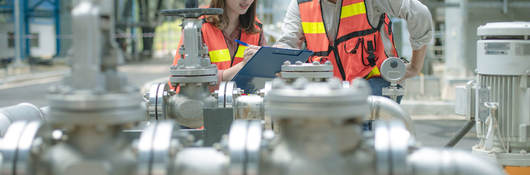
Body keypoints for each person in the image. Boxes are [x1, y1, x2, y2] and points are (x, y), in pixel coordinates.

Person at [275, 0, 433, 103]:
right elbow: (287, 43)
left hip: (376, 81)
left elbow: (419, 13)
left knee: (358, 132)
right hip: (327, 89)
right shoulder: (301, 4)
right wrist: (275, 57)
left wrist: (414, 68)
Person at [173, 0, 264, 84]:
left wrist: (274, 58)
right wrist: (241, 67)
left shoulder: (256, 28)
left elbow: (265, 77)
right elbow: (184, 78)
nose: (247, 0)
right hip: (207, 100)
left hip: (244, 100)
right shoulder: (196, 26)